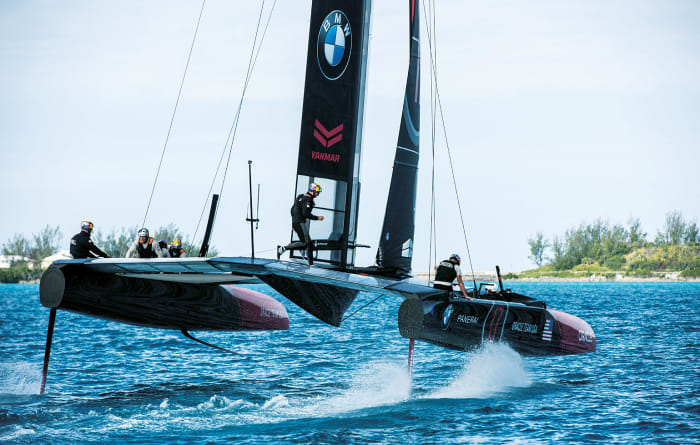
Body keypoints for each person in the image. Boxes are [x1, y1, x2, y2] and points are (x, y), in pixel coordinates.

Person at [277, 182, 325, 265]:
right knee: (306, 243)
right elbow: (305, 214)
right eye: (317, 193)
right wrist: (317, 218)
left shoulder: (300, 196)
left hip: (296, 222)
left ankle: (310, 264)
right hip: (300, 223)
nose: (318, 194)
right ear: (313, 191)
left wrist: (293, 224)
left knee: (307, 243)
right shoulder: (308, 199)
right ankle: (283, 248)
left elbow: (292, 210)